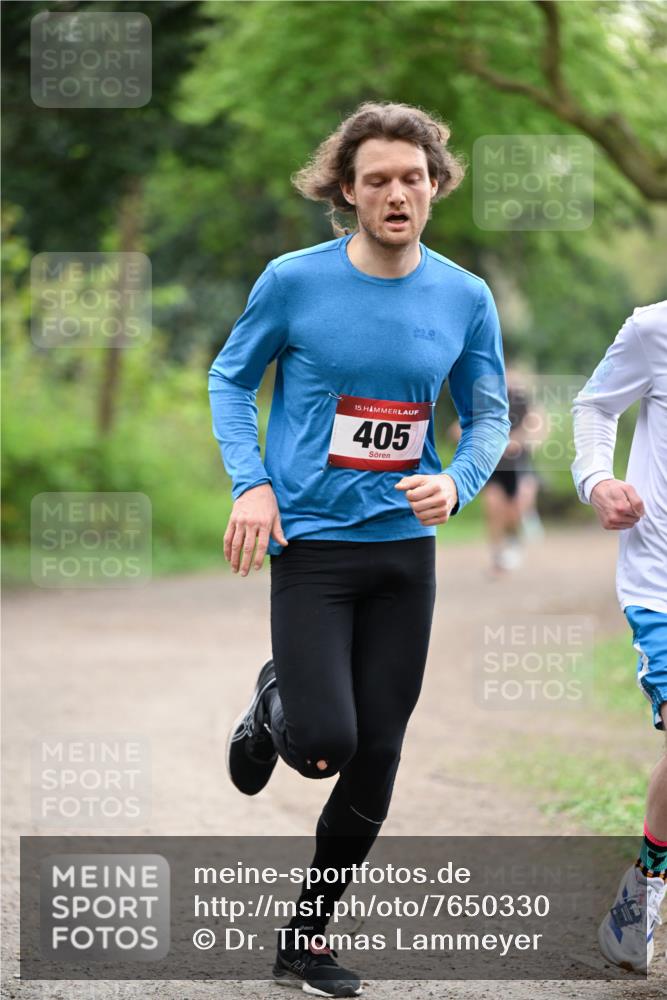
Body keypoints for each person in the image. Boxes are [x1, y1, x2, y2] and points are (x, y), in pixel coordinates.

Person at [208, 100, 510, 997]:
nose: (396, 192)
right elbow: (230, 376)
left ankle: (304, 940)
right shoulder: (294, 282)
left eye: (411, 177)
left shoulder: (464, 295)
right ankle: (276, 710)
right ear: (347, 190)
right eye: (376, 178)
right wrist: (250, 482)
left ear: (434, 187)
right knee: (323, 744)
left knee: (377, 754)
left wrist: (456, 480)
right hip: (311, 545)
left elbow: (487, 411)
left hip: (401, 557)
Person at [571, 300, 667, 974]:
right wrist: (598, 478)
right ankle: (646, 893)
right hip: (660, 582)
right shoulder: (654, 328)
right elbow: (595, 406)